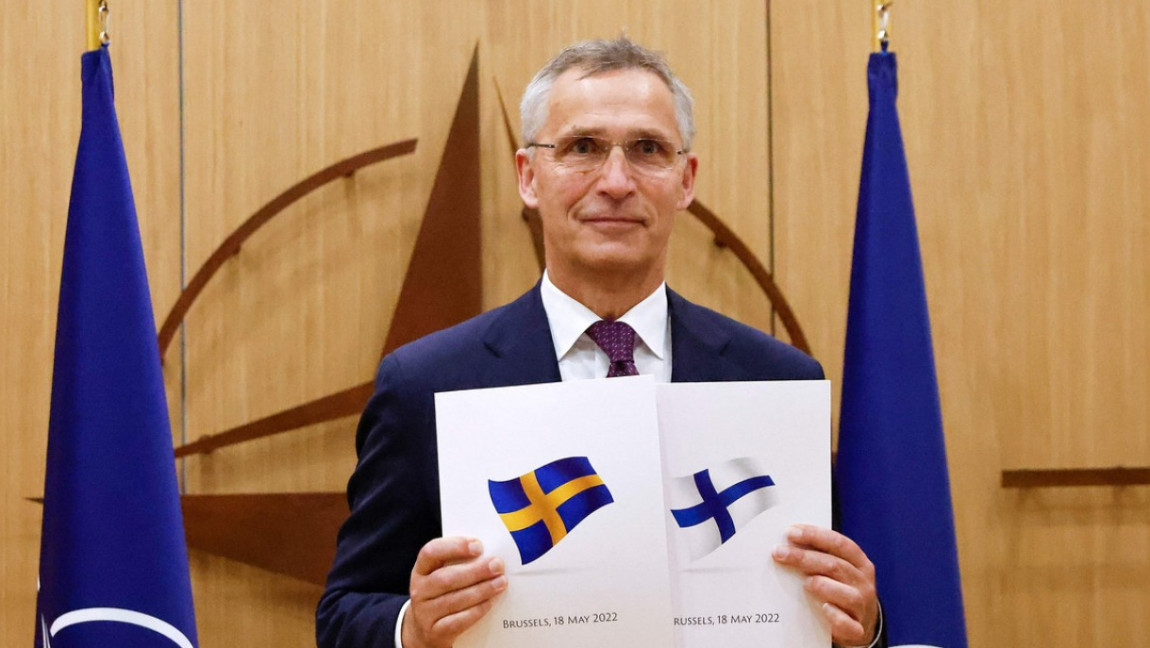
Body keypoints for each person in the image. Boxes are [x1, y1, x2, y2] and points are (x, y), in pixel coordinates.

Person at [317, 37, 883, 648]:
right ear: (528, 177)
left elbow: (832, 613)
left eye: (648, 150)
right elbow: (345, 614)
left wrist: (865, 625)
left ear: (685, 180)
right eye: (582, 148)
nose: (616, 182)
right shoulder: (426, 384)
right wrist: (413, 629)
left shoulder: (777, 383)